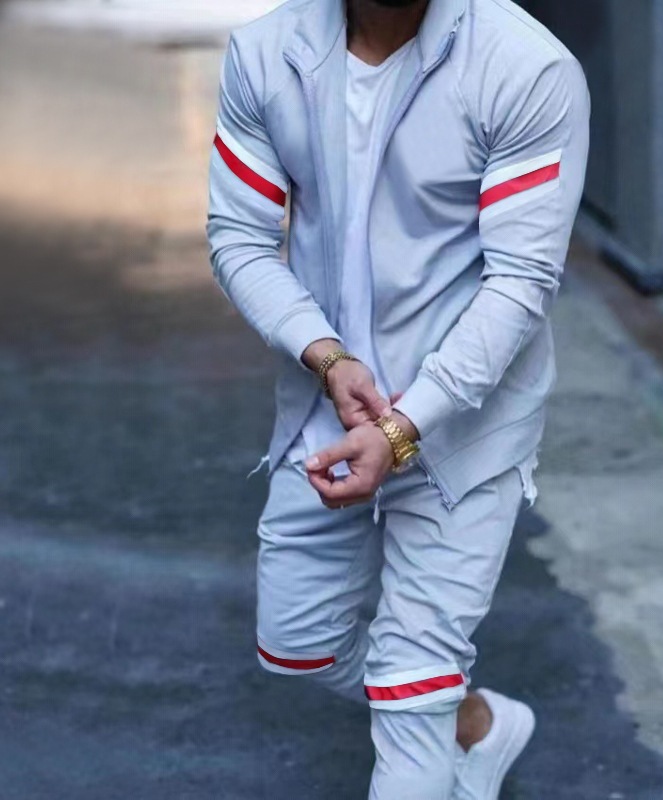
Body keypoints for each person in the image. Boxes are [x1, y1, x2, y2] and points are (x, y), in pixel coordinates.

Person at [206, 0, 590, 794]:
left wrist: (406, 426)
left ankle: (429, 703)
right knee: (297, 643)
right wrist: (325, 354)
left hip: (466, 427)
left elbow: (520, 282)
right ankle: (475, 723)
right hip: (328, 410)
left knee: (412, 683)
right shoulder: (266, 54)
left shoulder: (527, 66)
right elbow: (240, 236)